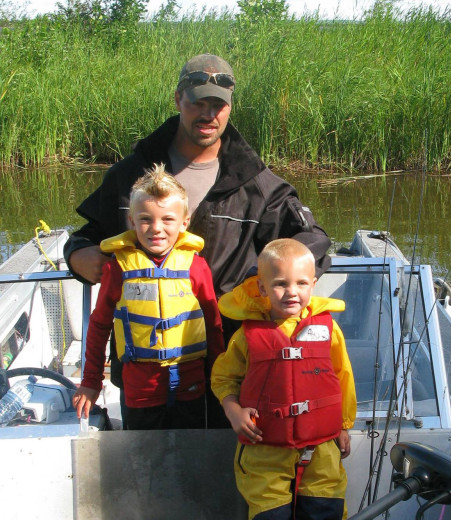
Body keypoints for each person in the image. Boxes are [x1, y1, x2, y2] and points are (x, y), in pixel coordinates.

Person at [64, 53, 332, 428]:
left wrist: (276, 276)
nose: (208, 115)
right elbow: (86, 236)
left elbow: (313, 239)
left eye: (218, 105)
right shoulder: (132, 176)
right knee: (152, 472)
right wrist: (77, 256)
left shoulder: (257, 183)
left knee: (227, 472)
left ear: (230, 108)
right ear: (178, 100)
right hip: (146, 375)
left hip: (235, 363)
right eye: (197, 103)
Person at [211, 238, 356, 520]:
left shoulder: (330, 330)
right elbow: (223, 378)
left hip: (321, 450)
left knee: (324, 510)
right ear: (262, 287)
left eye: (301, 283)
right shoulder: (246, 336)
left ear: (314, 284)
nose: (292, 292)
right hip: (265, 450)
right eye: (280, 284)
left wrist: (344, 425)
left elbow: (343, 376)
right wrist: (233, 410)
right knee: (270, 515)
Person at [72, 165, 225, 429]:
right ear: (131, 221)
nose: (156, 229)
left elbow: (213, 326)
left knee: (190, 452)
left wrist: (223, 382)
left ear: (184, 222)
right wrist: (91, 382)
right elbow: (99, 326)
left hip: (191, 385)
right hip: (139, 390)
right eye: (145, 219)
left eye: (167, 219)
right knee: (143, 458)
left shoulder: (195, 266)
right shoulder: (117, 267)